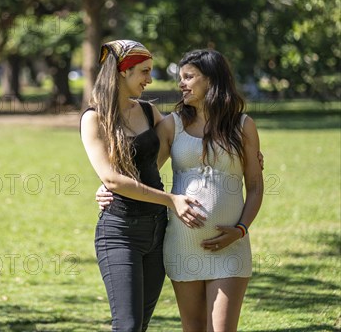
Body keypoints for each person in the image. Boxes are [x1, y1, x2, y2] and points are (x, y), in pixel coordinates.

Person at [97, 49, 264, 332]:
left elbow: (256, 187)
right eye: (180, 78)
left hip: (231, 246)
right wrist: (106, 185)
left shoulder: (242, 125)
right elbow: (142, 167)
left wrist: (241, 230)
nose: (181, 84)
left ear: (211, 80)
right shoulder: (173, 124)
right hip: (182, 245)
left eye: (189, 77)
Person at [80, 39, 206, 332]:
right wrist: (169, 199)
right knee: (127, 326)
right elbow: (111, 178)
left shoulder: (149, 112)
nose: (150, 79)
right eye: (144, 72)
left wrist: (243, 152)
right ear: (123, 71)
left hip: (158, 232)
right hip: (120, 233)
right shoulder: (94, 118)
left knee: (140, 326)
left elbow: (193, 133)